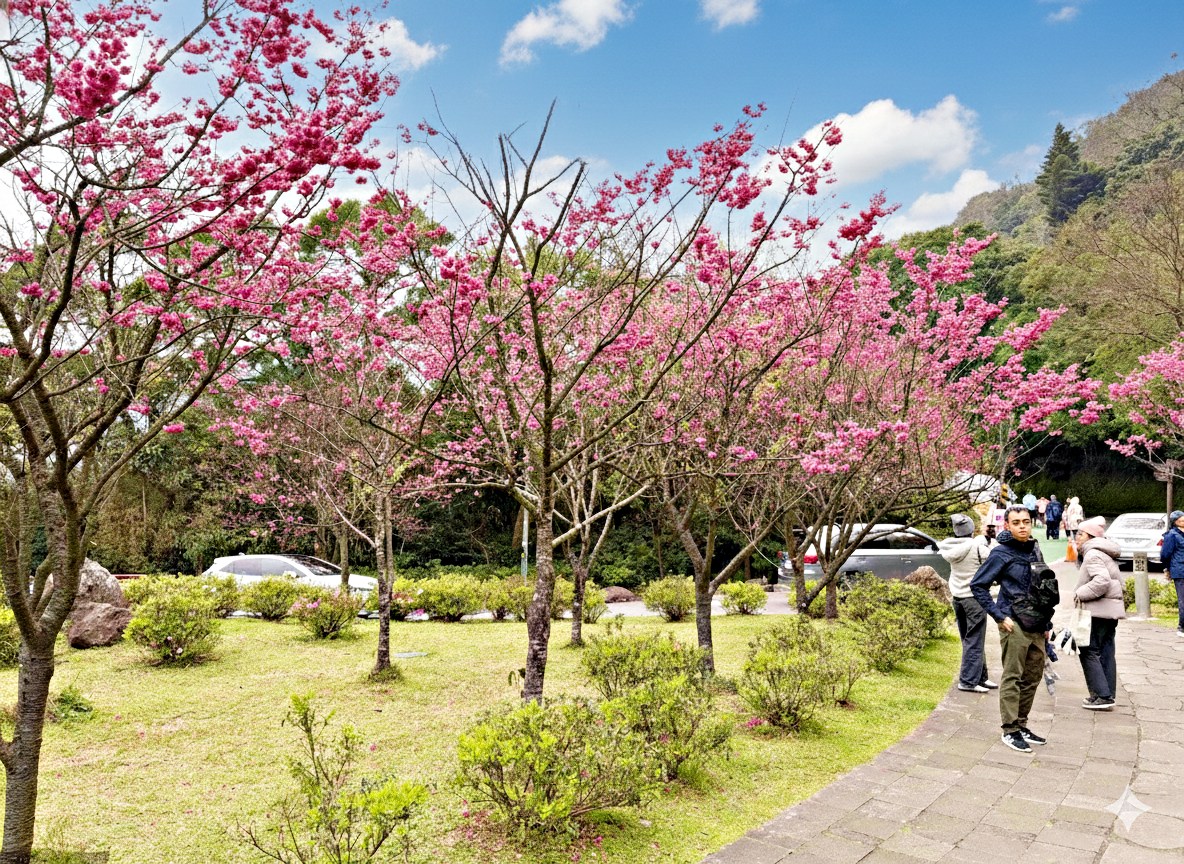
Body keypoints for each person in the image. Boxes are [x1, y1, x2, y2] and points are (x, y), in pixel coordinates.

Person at [971, 506, 1058, 753]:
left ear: (1032, 524)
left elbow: (1043, 588)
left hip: (1037, 624)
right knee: (1013, 676)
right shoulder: (1000, 553)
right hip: (1014, 623)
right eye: (1016, 522)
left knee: (1032, 677)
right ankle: (1010, 729)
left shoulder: (1035, 548)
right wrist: (999, 616)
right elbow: (978, 585)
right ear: (1007, 526)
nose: (1022, 526)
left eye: (1026, 522)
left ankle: (1021, 724)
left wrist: (1047, 624)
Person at [939, 514, 997, 692]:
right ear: (971, 530)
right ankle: (968, 681)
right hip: (974, 599)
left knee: (970, 639)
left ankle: (981, 677)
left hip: (958, 598)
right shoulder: (977, 547)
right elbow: (994, 562)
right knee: (975, 640)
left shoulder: (948, 547)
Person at [1073, 517, 1125, 710]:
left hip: (1097, 611)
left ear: (1090, 536)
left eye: (1080, 534)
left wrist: (1080, 593)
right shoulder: (1104, 553)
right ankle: (1107, 694)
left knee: (1089, 650)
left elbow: (1102, 581)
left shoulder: (1093, 554)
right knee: (1106, 651)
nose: (1076, 538)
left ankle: (1101, 695)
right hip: (1109, 612)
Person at [1159, 509, 1184, 638]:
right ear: (1175, 522)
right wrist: (1167, 568)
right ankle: (1182, 627)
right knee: (1183, 600)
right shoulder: (1172, 535)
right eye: (1181, 519)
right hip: (1179, 570)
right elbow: (1165, 554)